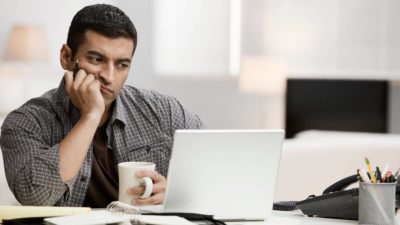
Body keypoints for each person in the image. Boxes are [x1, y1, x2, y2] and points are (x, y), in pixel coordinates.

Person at [0, 4, 203, 207]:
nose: (109, 76)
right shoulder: (25, 122)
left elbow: (216, 171)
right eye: (97, 59)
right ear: (66, 57)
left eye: (122, 64)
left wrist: (175, 192)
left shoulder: (163, 111)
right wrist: (90, 116)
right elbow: (34, 196)